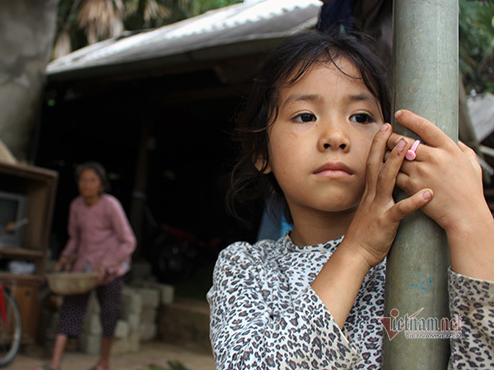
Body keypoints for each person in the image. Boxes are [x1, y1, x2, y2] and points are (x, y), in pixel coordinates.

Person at [207, 30, 494, 368]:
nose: (336, 137)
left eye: (360, 117)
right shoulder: (245, 269)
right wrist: (357, 250)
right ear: (261, 152)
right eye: (305, 116)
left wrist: (471, 219)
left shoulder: (431, 251)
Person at [36, 162, 136, 370]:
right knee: (70, 310)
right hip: (84, 269)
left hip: (110, 270)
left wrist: (107, 266)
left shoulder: (110, 205)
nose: (86, 184)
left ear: (101, 184)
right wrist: (64, 258)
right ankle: (55, 363)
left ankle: (103, 362)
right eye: (83, 180)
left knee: (109, 314)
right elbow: (75, 238)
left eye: (92, 180)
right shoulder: (76, 206)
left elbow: (128, 241)